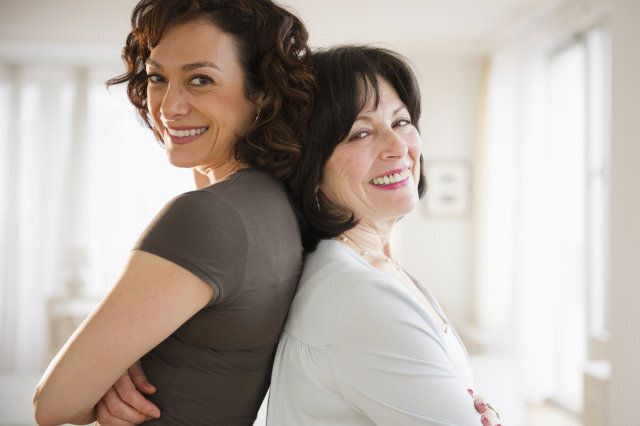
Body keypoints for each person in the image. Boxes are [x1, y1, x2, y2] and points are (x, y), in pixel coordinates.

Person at [32, 0, 315, 425]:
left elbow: (53, 406)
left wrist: (107, 372)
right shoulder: (276, 204)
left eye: (201, 79)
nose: (168, 106)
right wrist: (116, 362)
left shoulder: (208, 217)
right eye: (157, 78)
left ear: (262, 93)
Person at [267, 45, 502, 426]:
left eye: (401, 122)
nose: (398, 148)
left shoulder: (372, 269)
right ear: (310, 165)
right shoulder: (360, 298)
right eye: (360, 133)